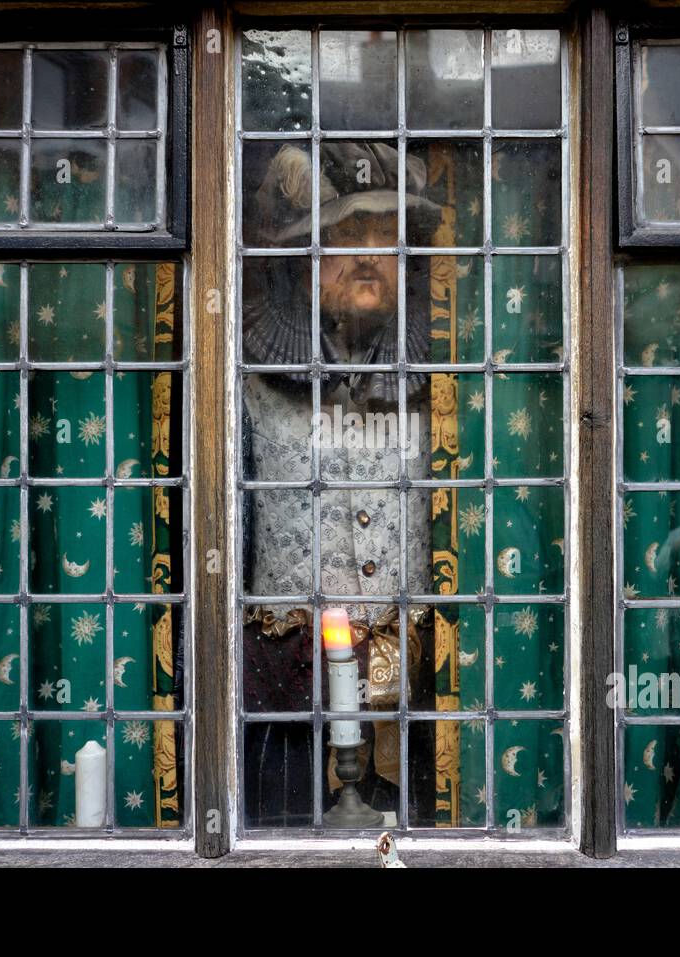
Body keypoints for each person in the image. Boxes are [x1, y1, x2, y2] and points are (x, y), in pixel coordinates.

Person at [241, 142, 442, 826]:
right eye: (346, 235)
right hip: (283, 697)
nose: (366, 255)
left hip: (417, 699)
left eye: (384, 236)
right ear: (304, 259)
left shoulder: (445, 389)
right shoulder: (248, 386)